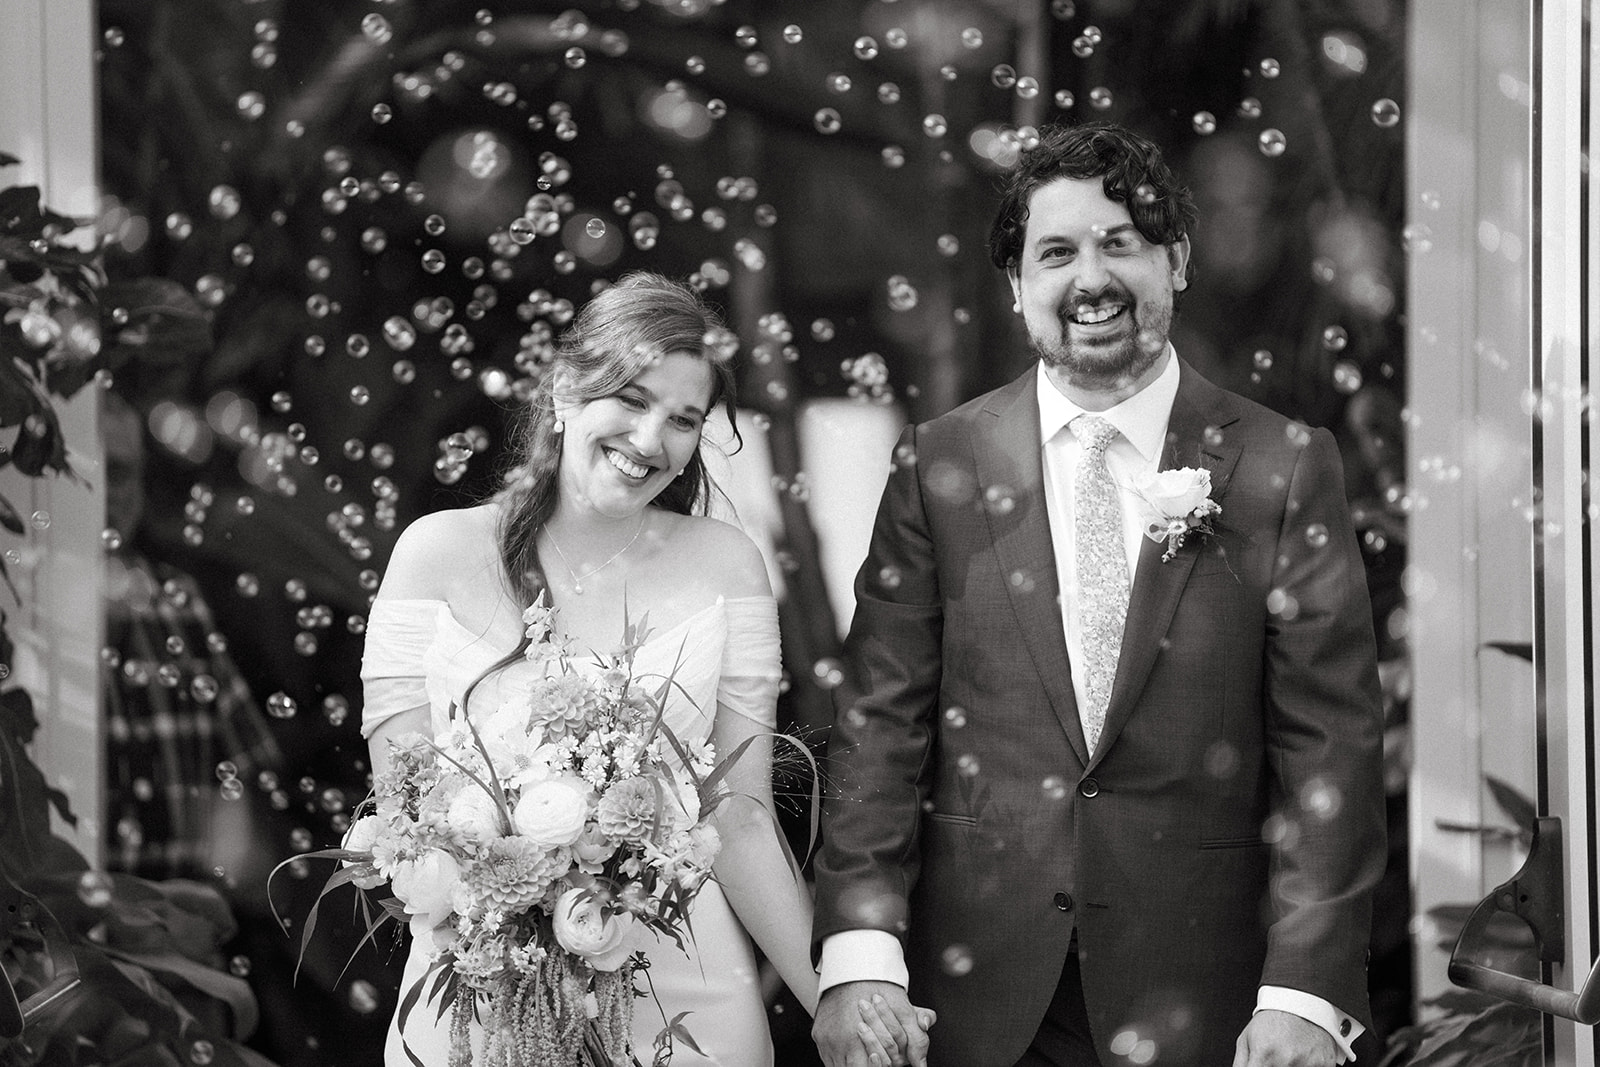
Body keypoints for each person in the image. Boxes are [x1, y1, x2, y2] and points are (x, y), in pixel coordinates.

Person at [811, 123, 1387, 1067]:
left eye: (1121, 242)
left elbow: (1329, 747)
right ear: (1016, 285)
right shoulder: (941, 461)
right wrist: (862, 954)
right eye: (1057, 252)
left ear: (1178, 260)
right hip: (978, 1004)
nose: (1092, 279)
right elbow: (881, 723)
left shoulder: (1281, 466)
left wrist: (1307, 995)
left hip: (1211, 1000)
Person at [358, 272, 919, 1066]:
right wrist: (519, 895)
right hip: (481, 1002)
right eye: (631, 398)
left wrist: (834, 1002)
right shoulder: (433, 553)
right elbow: (404, 807)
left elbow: (742, 815)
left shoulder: (727, 564)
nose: (652, 439)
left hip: (688, 995)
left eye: (684, 419)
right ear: (563, 390)